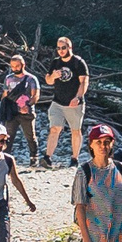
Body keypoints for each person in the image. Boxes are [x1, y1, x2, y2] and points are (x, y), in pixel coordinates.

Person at [41, 36, 90, 167]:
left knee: (75, 130)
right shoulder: (56, 62)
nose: (61, 50)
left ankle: (74, 158)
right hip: (57, 102)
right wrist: (53, 76)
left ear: (70, 47)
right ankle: (47, 157)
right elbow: (48, 80)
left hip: (74, 104)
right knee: (54, 128)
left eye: (63, 48)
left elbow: (84, 82)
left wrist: (78, 97)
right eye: (58, 48)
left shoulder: (78, 63)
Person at [0, 54, 42, 165]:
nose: (15, 68)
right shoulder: (8, 78)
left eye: (17, 66)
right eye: (13, 66)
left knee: (30, 136)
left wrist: (28, 105)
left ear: (23, 65)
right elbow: (5, 93)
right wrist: (3, 108)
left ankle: (34, 157)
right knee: (8, 135)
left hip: (26, 113)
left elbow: (36, 95)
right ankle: (4, 158)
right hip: (11, 112)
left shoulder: (31, 79)